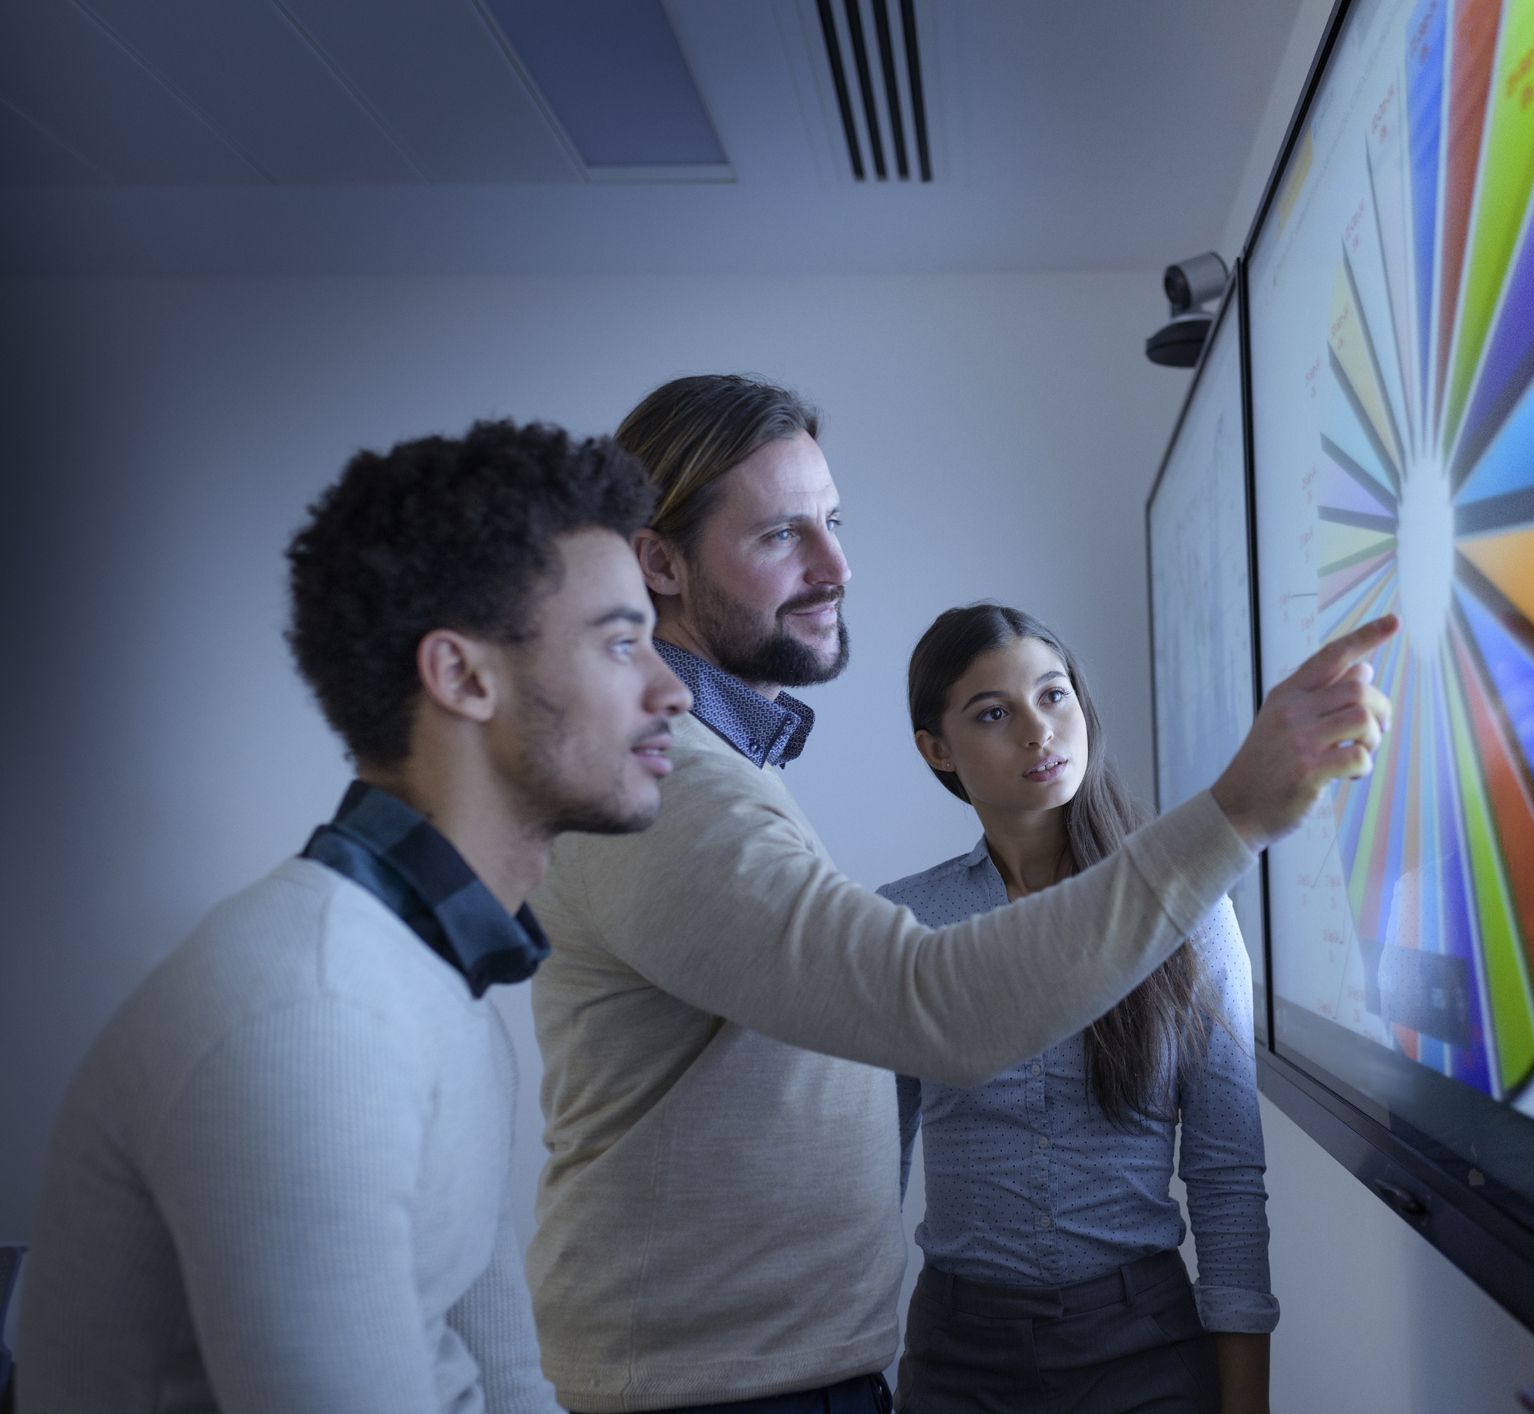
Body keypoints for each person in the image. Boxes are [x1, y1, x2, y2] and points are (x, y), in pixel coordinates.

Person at [526, 374, 1394, 1413]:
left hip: (832, 1374)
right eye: (781, 537)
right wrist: (1239, 810)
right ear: (658, 561)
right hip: (748, 1389)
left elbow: (1222, 1175)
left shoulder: (721, 771)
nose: (838, 567)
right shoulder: (667, 782)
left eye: (835, 524)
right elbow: (934, 1006)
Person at [19, 421, 691, 1413]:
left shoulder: (434, 977)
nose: (672, 690)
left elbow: (502, 1374)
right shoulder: (311, 1014)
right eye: (622, 642)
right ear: (463, 676)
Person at [884, 604, 1275, 1414]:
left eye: (1053, 695)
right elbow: (865, 1179)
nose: (1038, 731)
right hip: (957, 1355)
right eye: (993, 713)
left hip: (1145, 1347)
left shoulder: (1185, 907)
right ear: (936, 750)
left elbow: (1227, 1177)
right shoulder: (904, 924)